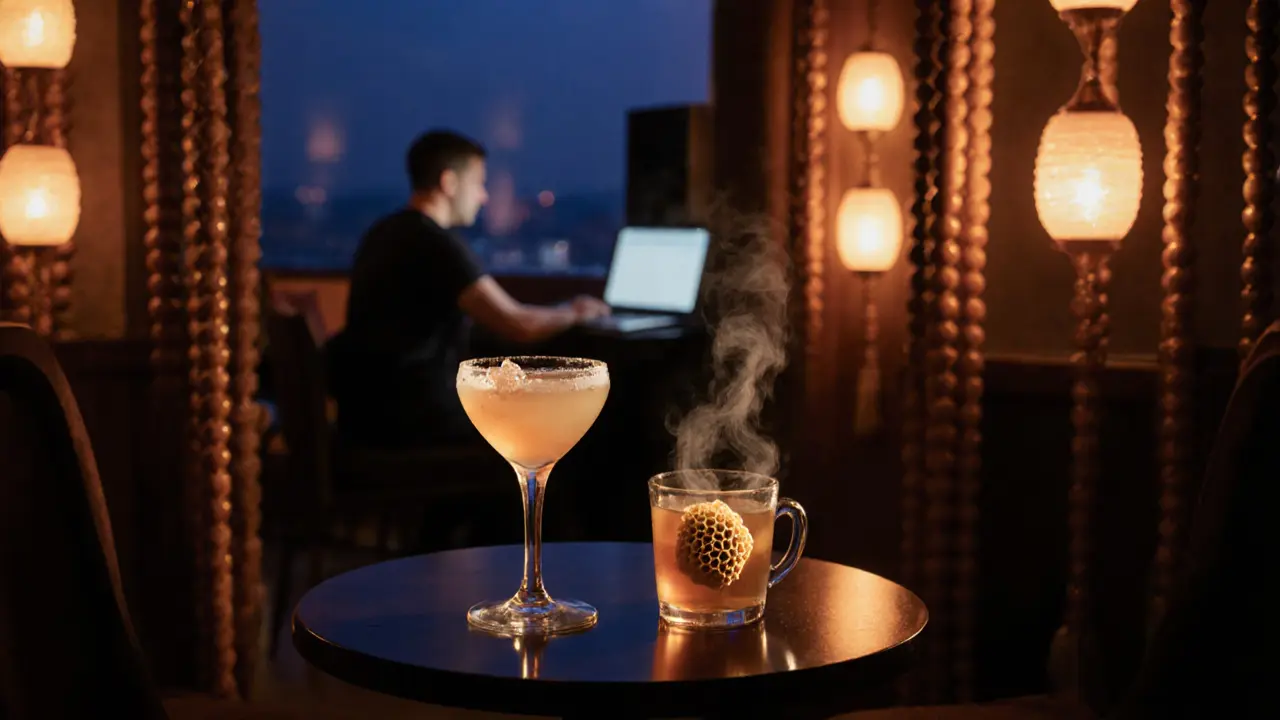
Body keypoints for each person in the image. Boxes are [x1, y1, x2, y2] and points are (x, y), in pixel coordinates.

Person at [328, 129, 610, 450]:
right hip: (410, 423)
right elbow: (519, 324)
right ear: (449, 183)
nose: (483, 196)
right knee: (542, 433)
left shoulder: (384, 231)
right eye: (478, 183)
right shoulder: (435, 244)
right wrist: (576, 310)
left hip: (368, 413)